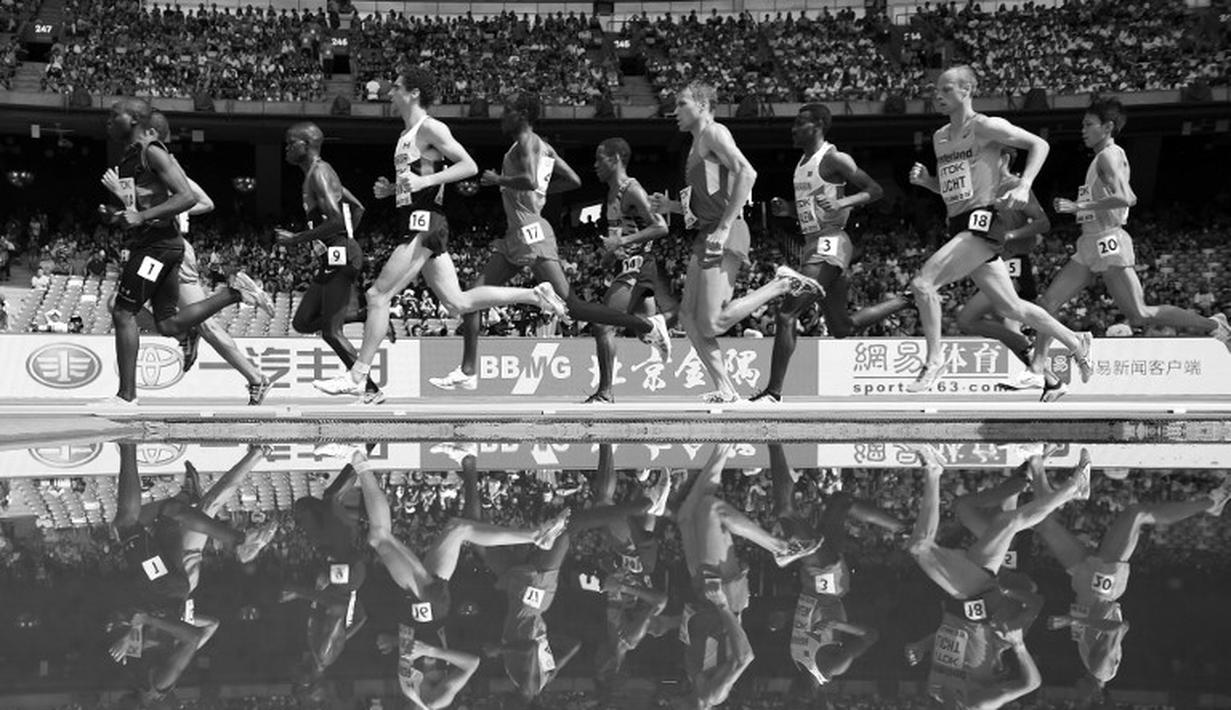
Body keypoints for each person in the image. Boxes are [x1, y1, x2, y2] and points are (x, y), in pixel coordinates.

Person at [312, 66, 568, 403]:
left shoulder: (431, 127)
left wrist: (424, 182)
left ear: (414, 93)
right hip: (418, 218)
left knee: (377, 296)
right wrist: (393, 190)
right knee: (457, 302)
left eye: (397, 87)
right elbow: (418, 179)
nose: (390, 92)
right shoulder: (405, 136)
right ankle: (536, 295)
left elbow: (468, 165)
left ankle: (358, 376)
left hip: (425, 222)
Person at [428, 92, 671, 393]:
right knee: (474, 296)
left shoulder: (529, 141)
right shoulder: (542, 146)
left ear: (523, 114)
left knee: (574, 307)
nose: (502, 116)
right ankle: (468, 371)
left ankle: (648, 326)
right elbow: (572, 181)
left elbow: (530, 179)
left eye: (507, 111)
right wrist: (539, 193)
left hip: (532, 233)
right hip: (515, 235)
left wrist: (502, 182)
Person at [1023, 98, 1231, 399]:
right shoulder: (1100, 159)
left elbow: (1127, 197)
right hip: (1089, 243)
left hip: (1109, 241)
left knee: (1140, 314)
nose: (1083, 130)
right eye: (1083, 124)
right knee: (1048, 303)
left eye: (1088, 124)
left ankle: (1214, 324)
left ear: (1108, 127)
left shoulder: (1109, 155)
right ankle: (1039, 371)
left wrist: (1080, 205)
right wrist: (1084, 209)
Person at [905, 66, 1092, 394]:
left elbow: (1039, 145)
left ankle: (934, 361)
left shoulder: (986, 126)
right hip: (959, 222)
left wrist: (1025, 185)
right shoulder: (940, 137)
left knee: (923, 284)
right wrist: (928, 183)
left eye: (947, 89)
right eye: (936, 89)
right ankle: (1074, 340)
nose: (938, 95)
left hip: (985, 221)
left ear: (967, 90)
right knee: (1011, 308)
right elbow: (955, 191)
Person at [650, 82, 821, 403]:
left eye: (682, 103)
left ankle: (781, 284)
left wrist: (725, 226)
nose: (675, 111)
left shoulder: (715, 133)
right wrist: (670, 207)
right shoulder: (695, 145)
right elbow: (708, 198)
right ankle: (726, 389)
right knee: (687, 318)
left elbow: (748, 173)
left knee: (713, 322)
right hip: (707, 232)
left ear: (702, 105)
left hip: (726, 233)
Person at [99, 98, 272, 406]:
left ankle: (127, 397)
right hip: (154, 243)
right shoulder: (130, 159)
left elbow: (191, 198)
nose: (108, 121)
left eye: (115, 115)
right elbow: (139, 208)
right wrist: (118, 214)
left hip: (161, 246)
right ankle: (232, 295)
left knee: (123, 310)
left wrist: (143, 216)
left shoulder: (154, 153)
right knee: (166, 324)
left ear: (137, 120)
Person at [1028, 451, 1231, 703]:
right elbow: (1118, 627)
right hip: (1101, 586)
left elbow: (1113, 628)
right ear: (1096, 698)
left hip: (1085, 583)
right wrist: (1070, 620)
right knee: (1137, 515)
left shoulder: (1092, 665)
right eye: (1080, 702)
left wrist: (1081, 617)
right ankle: (1213, 503)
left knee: (1046, 526)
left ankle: (1037, 469)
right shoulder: (1100, 669)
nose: (1074, 698)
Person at [753, 104, 912, 402]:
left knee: (787, 313)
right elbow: (812, 208)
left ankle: (773, 392)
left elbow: (875, 190)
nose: (793, 129)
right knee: (842, 327)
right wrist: (788, 209)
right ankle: (906, 300)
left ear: (818, 126)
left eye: (800, 123)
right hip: (812, 242)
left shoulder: (835, 158)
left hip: (832, 242)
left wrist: (843, 202)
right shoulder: (802, 163)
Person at [907, 444, 1079, 708]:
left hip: (961, 604)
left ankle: (1063, 482)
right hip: (975, 605)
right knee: (921, 548)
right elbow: (1031, 684)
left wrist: (924, 644)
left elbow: (954, 642)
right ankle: (933, 469)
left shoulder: (936, 692)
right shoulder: (976, 704)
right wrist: (1019, 647)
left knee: (1006, 523)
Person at [674, 444, 821, 709]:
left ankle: (724, 447)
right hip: (724, 598)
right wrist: (720, 604)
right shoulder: (710, 695)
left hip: (704, 593)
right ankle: (781, 549)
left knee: (687, 517)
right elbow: (745, 658)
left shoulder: (694, 688)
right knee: (711, 509)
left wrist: (667, 622)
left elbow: (701, 638)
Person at [768, 443, 904, 684]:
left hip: (813, 583)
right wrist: (839, 624)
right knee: (785, 512)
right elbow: (871, 636)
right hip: (827, 583)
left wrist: (786, 616)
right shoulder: (831, 668)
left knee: (841, 503)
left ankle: (901, 528)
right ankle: (774, 441)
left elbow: (809, 621)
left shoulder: (797, 663)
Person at [276, 122, 381, 401]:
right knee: (301, 322)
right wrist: (347, 240)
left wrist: (296, 238)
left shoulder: (319, 173)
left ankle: (370, 389)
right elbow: (358, 207)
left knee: (331, 333)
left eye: (290, 143)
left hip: (340, 256)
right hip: (335, 255)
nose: (286, 148)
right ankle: (362, 315)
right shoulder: (319, 173)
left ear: (305, 145)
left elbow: (335, 220)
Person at [586, 137, 679, 403]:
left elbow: (661, 226)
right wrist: (607, 257)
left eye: (599, 159)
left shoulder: (632, 190)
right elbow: (620, 233)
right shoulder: (612, 192)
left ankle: (604, 394)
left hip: (637, 264)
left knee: (603, 325)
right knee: (643, 334)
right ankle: (657, 323)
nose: (594, 165)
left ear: (615, 159)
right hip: (624, 264)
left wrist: (623, 243)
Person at [954, 145, 1051, 384]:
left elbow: (1043, 223)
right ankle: (1044, 374)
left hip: (1014, 260)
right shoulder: (984, 189)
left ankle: (1042, 368)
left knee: (1005, 314)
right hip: (993, 262)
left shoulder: (1015, 187)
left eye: (989, 157)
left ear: (1005, 159)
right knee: (973, 320)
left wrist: (1011, 235)